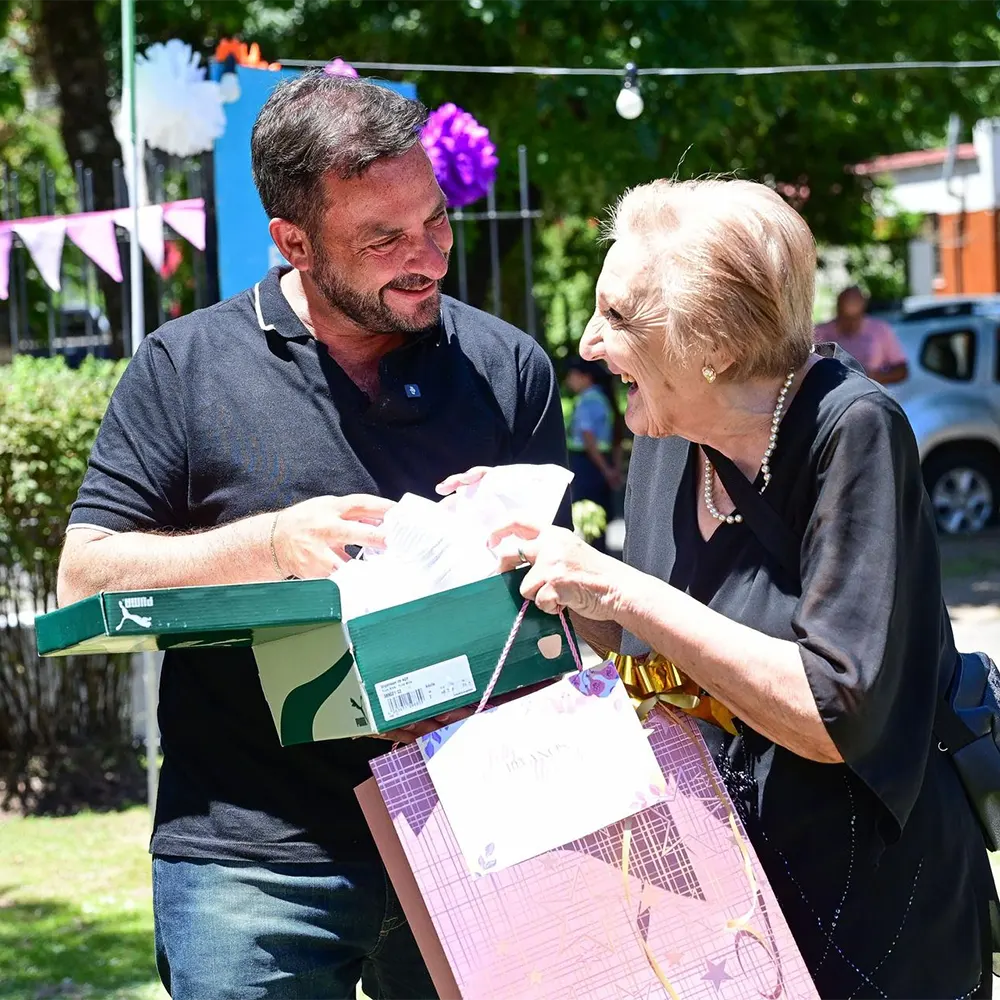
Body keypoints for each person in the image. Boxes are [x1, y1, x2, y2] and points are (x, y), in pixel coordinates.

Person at [55, 72, 568, 1000]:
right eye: (384, 240)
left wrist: (523, 548)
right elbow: (82, 581)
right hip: (253, 859)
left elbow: (556, 621)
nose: (429, 256)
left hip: (476, 829)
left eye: (437, 221)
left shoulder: (508, 369)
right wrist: (266, 543)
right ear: (291, 240)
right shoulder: (184, 367)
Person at [455, 179, 997, 998]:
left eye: (620, 317)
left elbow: (832, 710)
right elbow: (657, 648)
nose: (590, 343)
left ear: (714, 343)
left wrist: (625, 589)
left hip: (875, 919)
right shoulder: (668, 435)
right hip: (727, 913)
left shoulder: (851, 431)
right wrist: (554, 577)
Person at [565, 356, 621, 550]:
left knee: (587, 515)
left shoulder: (588, 400)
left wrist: (606, 470)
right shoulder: (602, 397)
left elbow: (589, 439)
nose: (568, 381)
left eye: (572, 376)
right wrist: (613, 467)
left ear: (585, 377)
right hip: (600, 461)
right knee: (600, 514)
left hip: (589, 464)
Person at [814, 284, 909, 384]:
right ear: (837, 309)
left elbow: (902, 370)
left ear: (863, 309)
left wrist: (875, 377)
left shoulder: (880, 330)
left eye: (854, 319)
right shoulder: (820, 332)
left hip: (867, 395)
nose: (850, 325)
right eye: (845, 319)